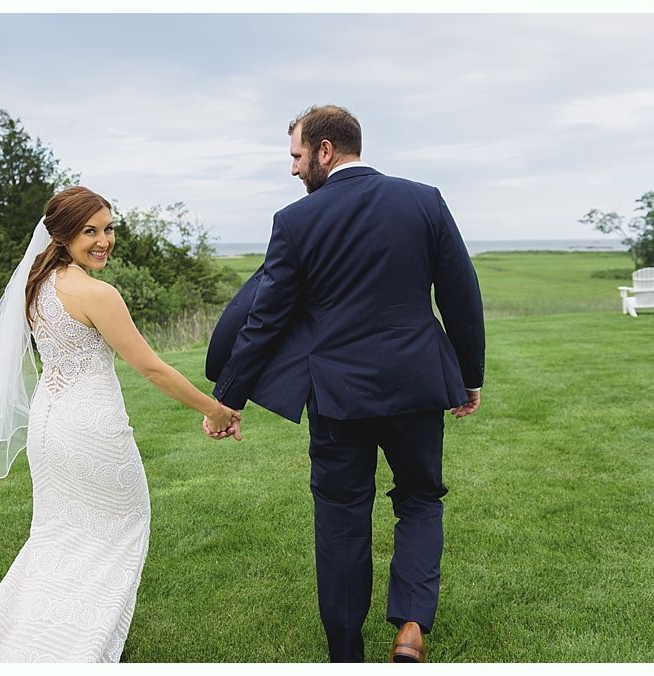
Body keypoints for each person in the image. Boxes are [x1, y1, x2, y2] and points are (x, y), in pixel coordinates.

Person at [207, 105, 485, 663]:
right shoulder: (423, 199)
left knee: (340, 516)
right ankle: (410, 624)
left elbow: (266, 317)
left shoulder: (296, 221)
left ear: (325, 150)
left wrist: (226, 400)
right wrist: (468, 376)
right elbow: (460, 292)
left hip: (337, 395)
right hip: (416, 384)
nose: (292, 168)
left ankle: (344, 653)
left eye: (295, 154)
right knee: (421, 498)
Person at [0, 186, 239, 662]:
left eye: (108, 228)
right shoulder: (99, 294)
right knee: (122, 530)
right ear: (61, 234)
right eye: (88, 231)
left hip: (48, 426)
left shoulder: (35, 284)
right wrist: (213, 409)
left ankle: (24, 640)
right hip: (93, 428)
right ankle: (75, 650)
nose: (103, 240)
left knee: (57, 538)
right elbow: (152, 367)